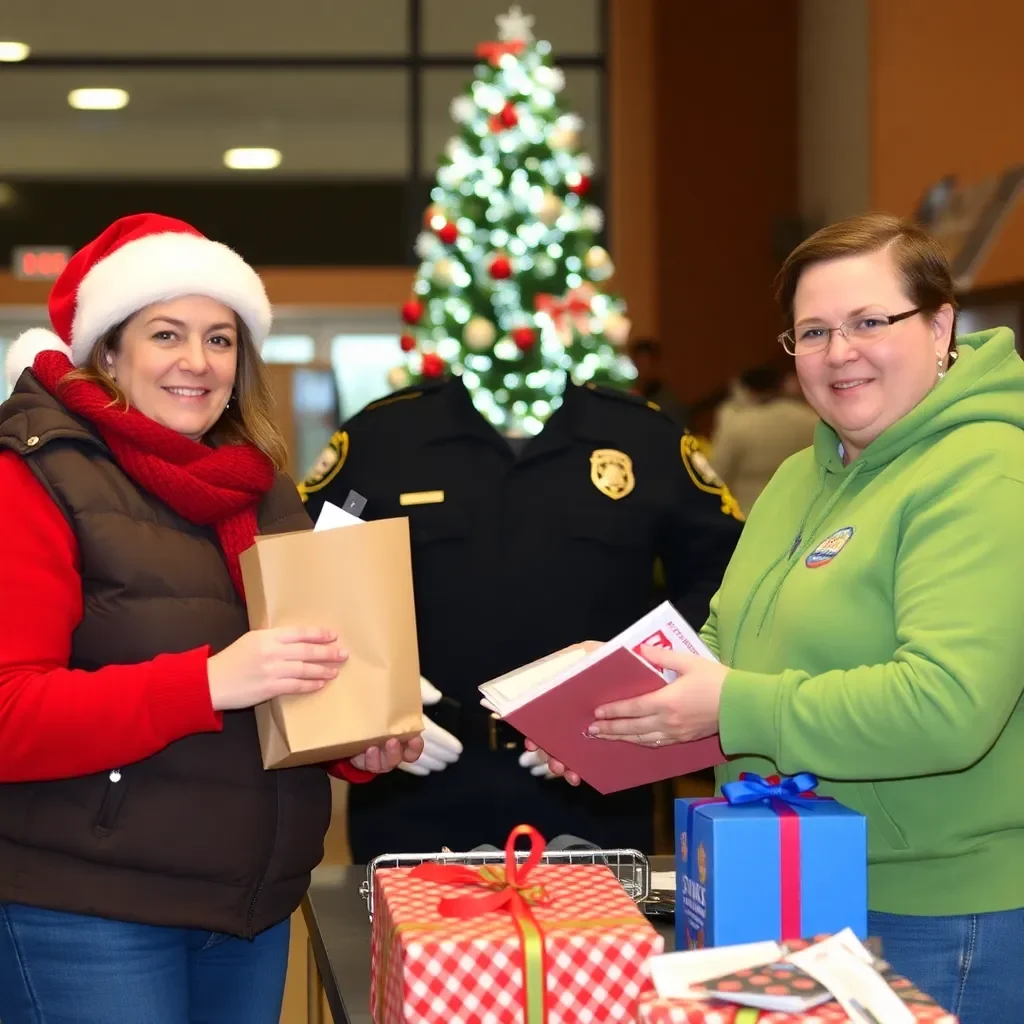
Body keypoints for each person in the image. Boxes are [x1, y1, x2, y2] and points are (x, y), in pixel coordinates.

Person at [533, 213, 1024, 1023]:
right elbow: (729, 653)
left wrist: (728, 702)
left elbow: (946, 708)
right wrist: (620, 712)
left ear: (940, 326)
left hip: (938, 912)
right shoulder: (803, 474)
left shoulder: (986, 475)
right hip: (783, 881)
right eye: (814, 331)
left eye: (871, 322)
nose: (841, 352)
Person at [0, 213, 423, 1024]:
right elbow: (10, 712)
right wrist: (209, 682)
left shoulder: (257, 487)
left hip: (246, 911)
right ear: (109, 353)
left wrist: (357, 740)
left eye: (220, 339)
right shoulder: (35, 476)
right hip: (86, 911)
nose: (197, 362)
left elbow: (289, 682)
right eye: (167, 334)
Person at [300, 373, 743, 860]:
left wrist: (642, 679)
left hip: (596, 778)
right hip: (413, 774)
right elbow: (309, 575)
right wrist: (367, 698)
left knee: (599, 937)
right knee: (406, 934)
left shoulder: (644, 436)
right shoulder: (382, 436)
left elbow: (726, 576)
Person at [710, 359, 818, 514]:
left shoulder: (737, 425)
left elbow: (717, 476)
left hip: (751, 516)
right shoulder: (812, 420)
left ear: (747, 390)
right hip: (802, 513)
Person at [626, 336, 690, 427]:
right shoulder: (633, 393)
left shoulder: (668, 401)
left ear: (655, 363)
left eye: (646, 362)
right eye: (639, 362)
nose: (643, 368)